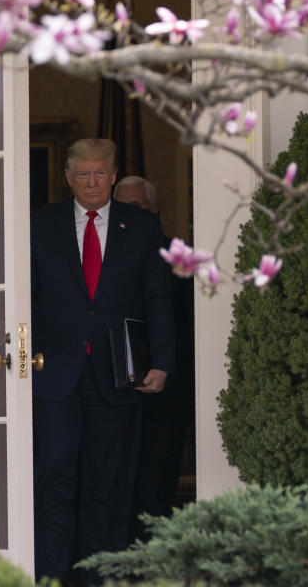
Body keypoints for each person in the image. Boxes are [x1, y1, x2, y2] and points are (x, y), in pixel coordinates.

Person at [30, 140, 175, 585]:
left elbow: (158, 298)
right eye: (83, 175)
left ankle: (101, 578)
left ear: (113, 176)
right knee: (55, 480)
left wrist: (163, 360)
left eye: (100, 174)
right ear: (69, 178)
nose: (92, 183)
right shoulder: (39, 223)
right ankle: (52, 576)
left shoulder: (141, 227)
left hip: (117, 372)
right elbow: (26, 297)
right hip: (53, 373)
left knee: (107, 485)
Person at [113, 176, 195, 539]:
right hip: (113, 389)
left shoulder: (182, 258)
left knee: (159, 476)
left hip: (167, 391)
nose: (130, 216)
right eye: (123, 208)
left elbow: (194, 327)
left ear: (155, 209)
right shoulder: (100, 257)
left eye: (138, 207)